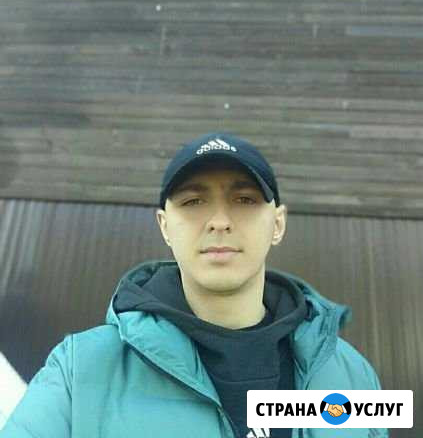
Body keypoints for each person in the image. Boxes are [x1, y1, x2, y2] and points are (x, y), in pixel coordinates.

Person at [1, 132, 388, 438]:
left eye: (244, 199)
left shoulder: (351, 376)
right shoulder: (81, 370)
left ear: (278, 224)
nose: (219, 220)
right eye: (192, 202)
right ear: (164, 226)